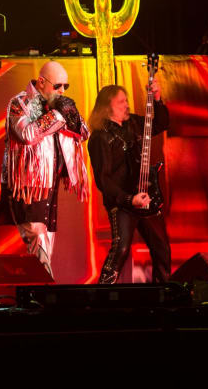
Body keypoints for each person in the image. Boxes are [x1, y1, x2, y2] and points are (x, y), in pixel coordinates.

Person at [0, 61, 90, 277]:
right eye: (58, 86)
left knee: (46, 246)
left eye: (66, 86)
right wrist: (58, 115)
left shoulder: (58, 103)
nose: (62, 91)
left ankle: (39, 290)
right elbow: (27, 134)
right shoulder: (20, 103)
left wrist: (71, 115)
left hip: (50, 186)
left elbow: (84, 133)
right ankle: (46, 291)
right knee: (39, 242)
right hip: (27, 187)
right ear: (41, 82)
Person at [87, 81, 171, 284]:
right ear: (107, 107)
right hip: (123, 202)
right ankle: (102, 294)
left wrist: (157, 98)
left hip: (145, 195)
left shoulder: (133, 123)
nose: (127, 105)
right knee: (121, 249)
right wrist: (128, 199)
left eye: (126, 101)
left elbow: (161, 124)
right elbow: (103, 179)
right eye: (121, 102)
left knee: (162, 248)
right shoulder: (100, 137)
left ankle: (164, 293)